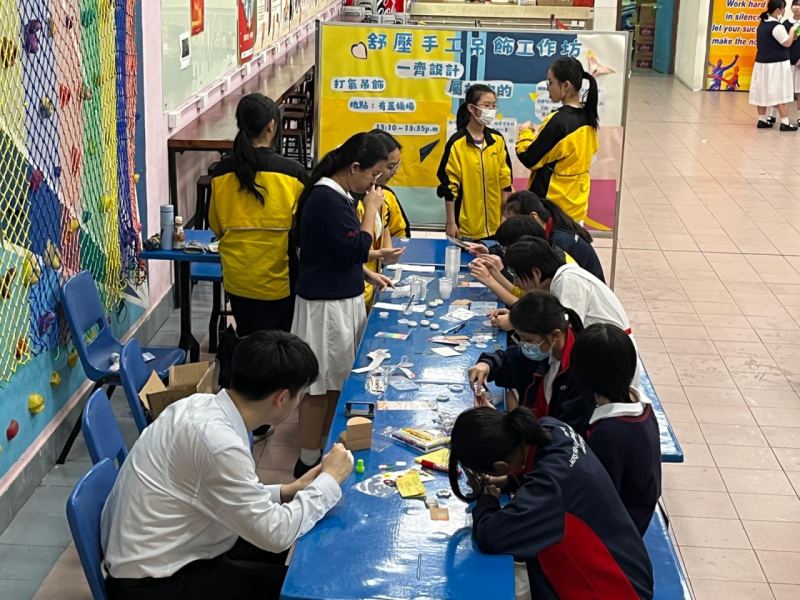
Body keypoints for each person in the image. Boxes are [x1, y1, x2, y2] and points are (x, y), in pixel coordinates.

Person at [101, 331, 355, 600]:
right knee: (307, 589)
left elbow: (225, 491)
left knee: (292, 546)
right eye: (300, 394)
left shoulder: (199, 404)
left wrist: (285, 492)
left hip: (165, 548)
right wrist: (329, 480)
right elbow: (276, 534)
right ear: (282, 398)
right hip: (152, 585)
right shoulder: (220, 445)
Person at [448, 407, 655, 600]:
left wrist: (487, 500)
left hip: (611, 591)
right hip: (630, 566)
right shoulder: (552, 428)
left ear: (501, 465)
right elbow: (544, 470)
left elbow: (491, 536)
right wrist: (508, 480)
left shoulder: (548, 491)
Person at [292, 133, 395, 478]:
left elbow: (337, 252)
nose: (375, 183)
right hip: (326, 307)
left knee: (335, 381)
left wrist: (366, 273)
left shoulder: (338, 195)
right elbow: (354, 247)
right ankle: (308, 460)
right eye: (373, 175)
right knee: (320, 386)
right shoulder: (327, 198)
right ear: (354, 168)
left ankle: (325, 450)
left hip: (340, 299)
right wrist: (372, 208)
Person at [209, 93, 308, 441]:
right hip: (276, 279)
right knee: (272, 350)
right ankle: (262, 417)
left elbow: (216, 226)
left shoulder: (221, 173)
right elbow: (301, 231)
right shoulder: (293, 174)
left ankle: (240, 412)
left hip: (237, 277)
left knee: (248, 340)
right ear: (271, 126)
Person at [488, 238, 643, 391]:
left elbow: (561, 328)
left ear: (536, 272)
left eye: (516, 276)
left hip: (613, 358)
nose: (515, 282)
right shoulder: (560, 279)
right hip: (599, 352)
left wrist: (514, 322)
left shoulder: (568, 281)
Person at [571, 323, 661, 536]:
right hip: (635, 511)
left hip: (621, 531)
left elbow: (597, 504)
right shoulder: (641, 406)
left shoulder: (609, 434)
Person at [469, 290, 595, 434]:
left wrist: (507, 423)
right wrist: (486, 365)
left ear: (555, 335)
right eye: (520, 337)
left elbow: (563, 434)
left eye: (527, 339)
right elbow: (508, 360)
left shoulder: (581, 373)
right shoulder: (544, 348)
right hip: (532, 427)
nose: (523, 344)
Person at [516, 57, 599, 225]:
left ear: (566, 86)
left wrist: (525, 132)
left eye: (550, 82)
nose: (548, 87)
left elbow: (529, 158)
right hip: (576, 206)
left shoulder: (559, 122)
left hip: (552, 209)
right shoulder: (587, 117)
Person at [437, 84, 513, 241]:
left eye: (493, 106)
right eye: (486, 105)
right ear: (471, 108)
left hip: (495, 225)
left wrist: (505, 216)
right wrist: (451, 222)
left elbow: (504, 181)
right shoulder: (457, 143)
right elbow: (449, 187)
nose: (491, 110)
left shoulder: (497, 140)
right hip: (466, 228)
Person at [502, 190, 604, 282]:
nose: (510, 226)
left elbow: (537, 283)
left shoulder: (559, 243)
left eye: (513, 221)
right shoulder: (555, 225)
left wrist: (501, 271)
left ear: (533, 217)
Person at [751, 0, 798, 131]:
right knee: (781, 91)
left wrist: (789, 37)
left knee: (762, 91)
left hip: (761, 63)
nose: (783, 12)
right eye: (783, 9)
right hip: (777, 64)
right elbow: (787, 43)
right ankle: (785, 122)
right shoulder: (777, 26)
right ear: (778, 10)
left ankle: (762, 120)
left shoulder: (762, 23)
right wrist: (792, 31)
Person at [369, 130, 411, 238]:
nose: (394, 172)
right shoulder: (347, 198)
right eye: (390, 167)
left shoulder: (387, 196)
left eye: (396, 166)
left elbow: (401, 235)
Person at [785, 0, 800, 125]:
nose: (797, 7)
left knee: (799, 90)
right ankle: (773, 115)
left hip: (799, 63)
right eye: (795, 4)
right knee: (783, 89)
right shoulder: (786, 23)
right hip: (786, 60)